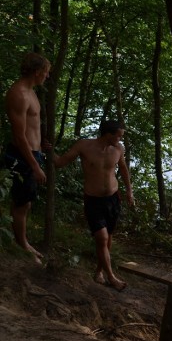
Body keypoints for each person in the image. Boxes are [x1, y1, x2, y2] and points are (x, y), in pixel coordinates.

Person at [53, 120, 134, 291]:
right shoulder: (84, 146)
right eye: (118, 135)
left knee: (108, 237)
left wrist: (129, 191)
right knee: (102, 238)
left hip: (113, 198)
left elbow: (124, 168)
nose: (120, 139)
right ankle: (112, 277)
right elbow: (60, 162)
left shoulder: (118, 149)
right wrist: (48, 151)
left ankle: (99, 272)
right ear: (108, 134)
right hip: (93, 200)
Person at [3, 52, 51, 265]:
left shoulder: (32, 92)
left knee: (26, 202)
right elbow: (19, 136)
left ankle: (22, 241)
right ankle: (22, 245)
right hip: (23, 156)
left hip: (34, 153)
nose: (47, 77)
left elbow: (32, 129)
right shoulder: (19, 94)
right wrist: (35, 166)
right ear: (37, 72)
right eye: (46, 72)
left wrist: (41, 146)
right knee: (21, 203)